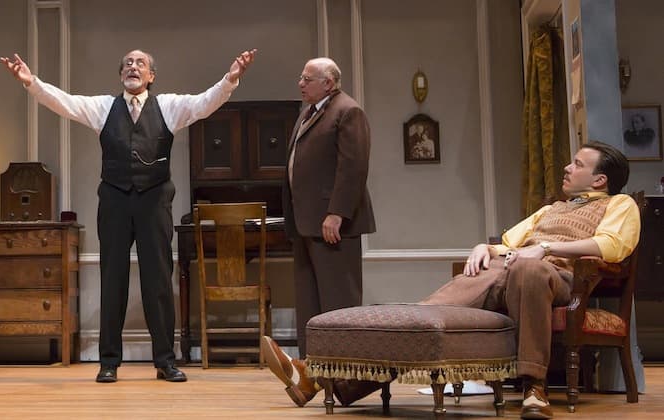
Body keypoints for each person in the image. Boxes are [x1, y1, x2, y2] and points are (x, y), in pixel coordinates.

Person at [263, 141, 640, 420]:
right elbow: (507, 242)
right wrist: (483, 247)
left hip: (557, 276)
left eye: (577, 164)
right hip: (506, 272)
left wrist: (543, 249)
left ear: (600, 179)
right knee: (427, 320)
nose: (568, 168)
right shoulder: (550, 209)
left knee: (528, 269)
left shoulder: (619, 205)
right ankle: (316, 378)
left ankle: (534, 389)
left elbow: (612, 245)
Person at [0, 48, 256, 383]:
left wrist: (230, 79)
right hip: (115, 201)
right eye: (127, 64)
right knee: (113, 280)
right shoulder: (104, 108)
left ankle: (165, 361)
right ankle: (108, 362)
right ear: (121, 74)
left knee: (158, 281)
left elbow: (204, 103)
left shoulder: (169, 106)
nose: (133, 67)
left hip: (155, 201)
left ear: (151, 76)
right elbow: (64, 102)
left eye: (140, 64)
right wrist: (31, 82)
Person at [284, 57, 375, 358]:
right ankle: (312, 368)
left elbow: (353, 168)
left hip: (332, 225)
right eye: (301, 77)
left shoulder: (348, 111)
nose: (300, 83)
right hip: (305, 223)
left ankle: (345, 370)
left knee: (338, 302)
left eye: (307, 79)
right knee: (309, 304)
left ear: (328, 83)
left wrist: (337, 213)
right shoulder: (308, 112)